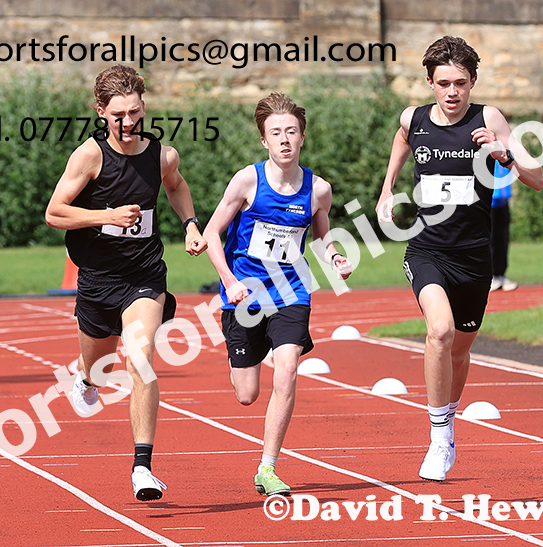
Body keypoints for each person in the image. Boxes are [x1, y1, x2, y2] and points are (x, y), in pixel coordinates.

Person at [375, 36, 543, 481]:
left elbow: (538, 178)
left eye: (461, 83)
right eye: (444, 83)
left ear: (473, 82)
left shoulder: (489, 118)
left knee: (460, 350)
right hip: (426, 249)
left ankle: (448, 421)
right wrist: (388, 187)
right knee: (440, 331)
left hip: (474, 257)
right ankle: (438, 436)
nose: (453, 92)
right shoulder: (413, 118)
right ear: (430, 83)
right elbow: (402, 138)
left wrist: (505, 154)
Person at [45, 64, 207, 500]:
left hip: (144, 274)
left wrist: (191, 225)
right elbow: (54, 213)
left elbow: (176, 186)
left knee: (140, 358)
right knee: (98, 365)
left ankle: (142, 468)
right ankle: (86, 379)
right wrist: (106, 216)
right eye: (119, 115)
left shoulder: (162, 156)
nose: (129, 122)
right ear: (101, 112)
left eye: (135, 112)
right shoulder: (89, 156)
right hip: (98, 279)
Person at [203, 92, 352, 496]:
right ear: (263, 140)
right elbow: (212, 233)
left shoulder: (318, 190)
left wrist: (335, 258)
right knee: (247, 394)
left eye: (291, 131)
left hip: (291, 292)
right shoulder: (247, 181)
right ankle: (240, 358)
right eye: (276, 133)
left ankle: (267, 468)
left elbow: (321, 236)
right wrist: (228, 280)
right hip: (244, 297)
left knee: (286, 369)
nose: (284, 139)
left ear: (302, 137)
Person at [490, 161, 518, 291]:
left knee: (503, 239)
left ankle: (500, 274)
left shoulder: (506, 153)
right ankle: (490, 275)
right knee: (489, 240)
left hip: (503, 201)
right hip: (488, 202)